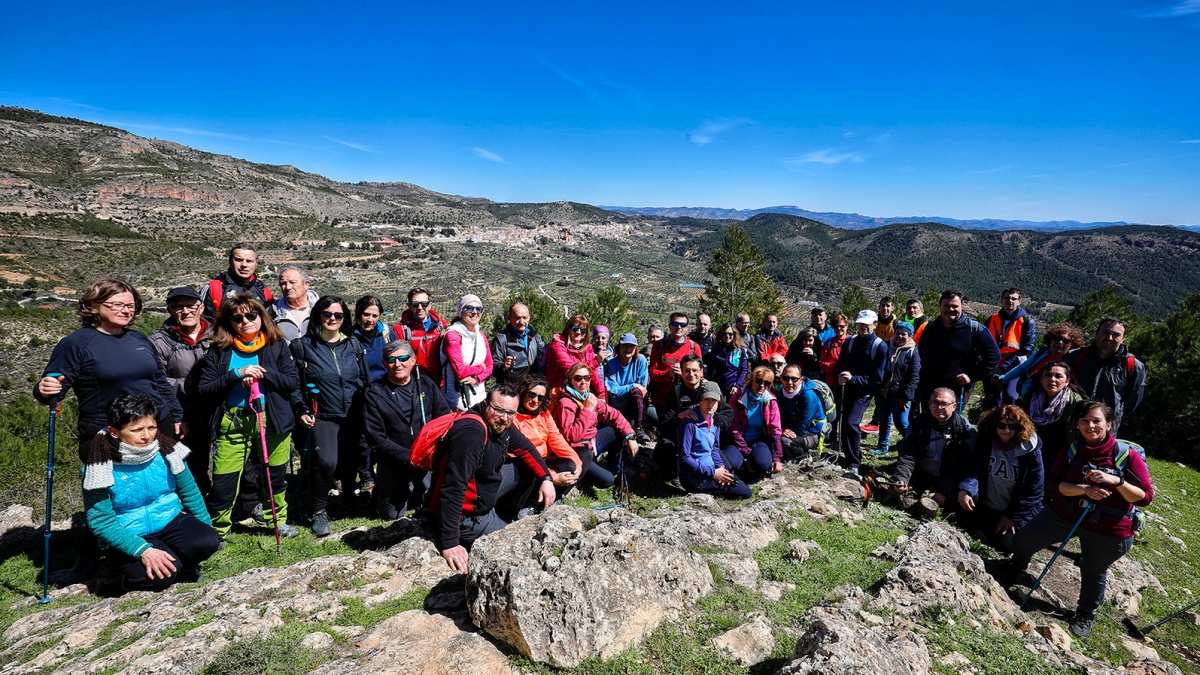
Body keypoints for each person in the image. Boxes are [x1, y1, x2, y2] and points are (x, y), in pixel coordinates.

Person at [1011, 401, 1153, 638]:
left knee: (1093, 568)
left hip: (1109, 525)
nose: (1090, 426)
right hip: (1066, 512)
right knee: (1023, 541)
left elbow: (1145, 498)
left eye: (1097, 421)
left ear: (1109, 425)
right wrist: (1085, 490)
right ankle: (1017, 565)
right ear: (1077, 424)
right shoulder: (1072, 449)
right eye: (1084, 421)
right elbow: (1055, 485)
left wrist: (1116, 481)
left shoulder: (1125, 456)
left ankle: (1086, 614)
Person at [82, 395, 220, 591]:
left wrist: (205, 528)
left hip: (169, 519)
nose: (146, 436)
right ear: (114, 432)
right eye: (136, 430)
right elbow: (101, 520)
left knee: (206, 541)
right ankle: (132, 573)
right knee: (159, 577)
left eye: (152, 428)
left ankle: (175, 563)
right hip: (130, 530)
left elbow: (190, 493)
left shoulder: (169, 452)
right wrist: (143, 550)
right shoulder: (99, 467)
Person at [36, 279, 183, 463]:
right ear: (93, 305)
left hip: (158, 429)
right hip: (109, 436)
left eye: (131, 305)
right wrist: (44, 389)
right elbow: (52, 389)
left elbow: (159, 380)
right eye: (117, 304)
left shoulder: (139, 338)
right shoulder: (77, 343)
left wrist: (176, 415)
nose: (126, 310)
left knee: (163, 488)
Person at [197, 294, 301, 539]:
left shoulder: (276, 345)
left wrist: (263, 374)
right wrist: (236, 374)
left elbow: (292, 382)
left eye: (250, 315)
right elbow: (205, 388)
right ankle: (218, 530)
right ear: (229, 322)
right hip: (233, 421)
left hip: (272, 420)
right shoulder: (219, 350)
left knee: (273, 477)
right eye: (237, 317)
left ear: (260, 317)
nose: (245, 321)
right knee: (224, 479)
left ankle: (277, 521)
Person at [429, 384, 556, 572]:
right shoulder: (471, 434)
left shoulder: (501, 424)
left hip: (485, 488)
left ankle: (508, 513)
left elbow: (525, 448)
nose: (504, 418)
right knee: (518, 545)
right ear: (486, 403)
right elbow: (453, 487)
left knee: (527, 468)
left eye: (511, 413)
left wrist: (546, 478)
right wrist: (450, 543)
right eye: (498, 410)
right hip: (469, 513)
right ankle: (488, 526)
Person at [291, 296, 369, 535]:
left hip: (353, 411)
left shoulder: (353, 345)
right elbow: (294, 384)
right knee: (326, 462)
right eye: (327, 314)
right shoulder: (303, 346)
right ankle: (319, 511)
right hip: (321, 413)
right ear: (318, 316)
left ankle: (348, 496)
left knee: (351, 457)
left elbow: (364, 379)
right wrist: (300, 408)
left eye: (338, 315)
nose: (333, 319)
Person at [362, 340, 451, 520]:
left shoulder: (425, 384)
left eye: (403, 358)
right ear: (384, 364)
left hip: (426, 457)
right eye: (392, 360)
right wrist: (407, 456)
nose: (398, 364)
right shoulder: (374, 392)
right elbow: (376, 436)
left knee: (433, 502)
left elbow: (443, 417)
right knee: (390, 514)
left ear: (413, 361)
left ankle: (416, 488)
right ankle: (386, 487)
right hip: (394, 460)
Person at [148, 286, 214, 496]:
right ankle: (196, 505)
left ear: (201, 307)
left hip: (217, 409)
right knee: (191, 463)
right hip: (184, 413)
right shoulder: (158, 341)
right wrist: (191, 385)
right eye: (179, 307)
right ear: (170, 310)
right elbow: (157, 380)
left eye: (191, 306)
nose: (186, 311)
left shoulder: (218, 334)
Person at [957, 405, 1044, 553]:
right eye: (1001, 425)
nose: (1006, 430)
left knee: (1006, 546)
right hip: (987, 503)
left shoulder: (1029, 450)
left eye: (1012, 426)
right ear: (993, 424)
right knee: (972, 532)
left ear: (1021, 427)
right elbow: (974, 469)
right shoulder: (986, 442)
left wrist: (1012, 516)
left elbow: (1035, 489)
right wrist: (965, 489)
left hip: (1012, 508)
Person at [552, 363, 638, 489]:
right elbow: (571, 437)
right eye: (578, 378)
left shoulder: (588, 397)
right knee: (607, 481)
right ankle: (585, 474)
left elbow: (614, 415)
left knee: (617, 430)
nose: (583, 382)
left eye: (587, 378)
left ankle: (612, 469)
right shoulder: (565, 403)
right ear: (569, 380)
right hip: (576, 450)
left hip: (590, 444)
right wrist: (587, 410)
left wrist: (630, 436)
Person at [915, 290, 1000, 414]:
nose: (950, 309)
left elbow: (994, 356)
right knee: (928, 422)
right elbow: (922, 350)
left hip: (956, 388)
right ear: (940, 307)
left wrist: (972, 376)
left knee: (949, 424)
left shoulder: (974, 329)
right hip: (929, 386)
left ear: (961, 307)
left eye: (955, 306)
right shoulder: (931, 326)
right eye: (946, 305)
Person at [893, 388, 978, 508]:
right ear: (929, 404)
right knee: (899, 492)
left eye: (944, 404)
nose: (939, 407)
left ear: (954, 406)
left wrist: (944, 490)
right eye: (935, 403)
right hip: (922, 473)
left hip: (949, 476)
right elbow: (908, 454)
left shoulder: (965, 430)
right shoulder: (918, 423)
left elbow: (964, 464)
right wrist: (902, 478)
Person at [652, 355, 733, 478]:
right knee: (663, 449)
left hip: (707, 442)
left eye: (695, 370)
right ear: (681, 372)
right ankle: (675, 473)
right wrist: (680, 416)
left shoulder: (711, 389)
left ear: (701, 372)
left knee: (728, 469)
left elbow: (728, 414)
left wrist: (716, 419)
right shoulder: (675, 393)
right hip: (682, 441)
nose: (691, 374)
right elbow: (664, 426)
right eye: (686, 370)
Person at [1066, 317, 1146, 435]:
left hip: (1106, 428)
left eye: (1116, 334)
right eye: (1105, 332)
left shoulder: (1133, 366)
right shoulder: (1075, 357)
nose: (1109, 338)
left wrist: (1114, 416)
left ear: (1123, 338)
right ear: (1097, 333)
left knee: (1101, 454)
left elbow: (1133, 400)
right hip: (1072, 423)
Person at [833, 310, 889, 478]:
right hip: (848, 387)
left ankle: (854, 462)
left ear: (874, 325)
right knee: (844, 424)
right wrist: (840, 376)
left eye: (867, 324)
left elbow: (878, 378)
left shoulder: (880, 346)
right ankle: (849, 456)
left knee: (851, 423)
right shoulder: (850, 342)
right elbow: (840, 364)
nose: (863, 327)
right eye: (860, 324)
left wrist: (853, 379)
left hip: (863, 392)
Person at [676, 380, 752, 499]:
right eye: (707, 400)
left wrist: (720, 466)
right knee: (742, 493)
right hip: (693, 476)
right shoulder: (689, 424)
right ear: (700, 400)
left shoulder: (715, 420)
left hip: (711, 469)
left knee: (745, 491)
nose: (710, 404)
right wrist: (713, 473)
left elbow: (714, 449)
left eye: (714, 401)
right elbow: (685, 458)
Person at [514, 374, 582, 498]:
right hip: (524, 463)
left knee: (573, 464)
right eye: (531, 395)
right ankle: (531, 503)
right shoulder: (514, 417)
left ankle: (555, 497)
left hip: (543, 458)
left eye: (540, 397)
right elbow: (520, 455)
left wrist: (577, 462)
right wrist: (551, 476)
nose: (535, 401)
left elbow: (556, 438)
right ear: (523, 392)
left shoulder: (543, 413)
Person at [1020, 361, 1088, 468]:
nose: (1052, 379)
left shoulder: (1076, 404)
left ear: (1067, 381)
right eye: (1048, 375)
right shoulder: (1030, 400)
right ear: (1041, 379)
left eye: (1058, 376)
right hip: (1033, 452)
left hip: (1063, 456)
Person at [997, 323, 1084, 402]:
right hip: (1027, 395)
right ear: (1051, 340)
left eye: (1066, 341)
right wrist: (1003, 378)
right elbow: (1023, 368)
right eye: (1057, 339)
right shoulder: (1042, 352)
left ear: (1072, 345)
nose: (1060, 342)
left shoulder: (1072, 361)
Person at [727, 366, 784, 477]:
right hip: (736, 441)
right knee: (732, 463)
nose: (762, 385)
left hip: (758, 440)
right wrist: (747, 451)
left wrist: (777, 457)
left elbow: (775, 430)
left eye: (766, 383)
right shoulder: (737, 398)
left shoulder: (771, 401)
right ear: (752, 379)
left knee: (764, 465)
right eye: (758, 381)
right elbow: (733, 429)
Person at [985, 288, 1038, 407]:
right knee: (992, 399)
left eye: (1014, 299)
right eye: (1007, 298)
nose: (1010, 301)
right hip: (992, 366)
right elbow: (981, 343)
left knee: (1010, 397)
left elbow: (1026, 352)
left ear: (1020, 301)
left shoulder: (1027, 322)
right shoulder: (992, 319)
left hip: (1014, 367)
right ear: (1001, 301)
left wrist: (1003, 368)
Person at [442, 294, 494, 410]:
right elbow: (460, 372)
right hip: (457, 400)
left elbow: (490, 366)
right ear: (461, 311)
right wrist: (481, 368)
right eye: (469, 308)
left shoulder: (480, 335)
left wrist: (476, 379)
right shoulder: (453, 335)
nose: (475, 312)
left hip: (480, 396)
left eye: (479, 309)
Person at [877, 321, 921, 456]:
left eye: (904, 334)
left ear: (910, 336)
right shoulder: (886, 347)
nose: (900, 336)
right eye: (898, 333)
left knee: (901, 423)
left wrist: (905, 397)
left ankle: (916, 445)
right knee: (884, 420)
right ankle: (882, 446)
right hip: (884, 391)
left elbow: (914, 376)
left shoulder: (913, 352)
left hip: (900, 394)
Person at [200, 243, 273, 320]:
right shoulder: (213, 289)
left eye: (249, 261)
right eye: (239, 260)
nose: (244, 265)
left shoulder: (264, 292)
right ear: (230, 262)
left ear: (256, 264)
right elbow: (202, 322)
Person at [604, 333, 654, 442]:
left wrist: (632, 387)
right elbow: (613, 390)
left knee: (636, 392)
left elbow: (642, 387)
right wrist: (632, 385)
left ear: (635, 348)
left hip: (635, 401)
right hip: (618, 402)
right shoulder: (612, 363)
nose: (628, 349)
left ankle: (639, 427)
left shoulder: (641, 360)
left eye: (631, 346)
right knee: (635, 389)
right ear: (620, 346)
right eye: (625, 345)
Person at [545, 314, 606, 397]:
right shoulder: (557, 347)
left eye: (583, 330)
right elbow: (574, 371)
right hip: (560, 392)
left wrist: (601, 394)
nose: (578, 332)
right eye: (575, 329)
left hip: (581, 391)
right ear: (568, 329)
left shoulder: (588, 348)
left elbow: (594, 374)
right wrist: (596, 362)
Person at [393, 287, 448, 380]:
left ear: (430, 305)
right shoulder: (400, 330)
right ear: (409, 306)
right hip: (415, 380)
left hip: (440, 380)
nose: (420, 308)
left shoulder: (442, 325)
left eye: (424, 304)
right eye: (415, 304)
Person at [649, 312, 703, 405]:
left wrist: (684, 374)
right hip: (662, 399)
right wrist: (669, 374)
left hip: (687, 398)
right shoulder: (659, 346)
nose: (679, 327)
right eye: (675, 324)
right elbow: (652, 373)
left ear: (687, 328)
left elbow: (700, 374)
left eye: (683, 325)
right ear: (670, 326)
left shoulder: (694, 347)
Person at [777, 364, 826, 459]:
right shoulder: (780, 391)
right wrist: (782, 430)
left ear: (801, 380)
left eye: (794, 379)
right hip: (790, 428)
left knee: (784, 442)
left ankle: (805, 455)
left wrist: (784, 432)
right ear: (781, 378)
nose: (789, 382)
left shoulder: (808, 396)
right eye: (786, 378)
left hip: (811, 432)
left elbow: (801, 428)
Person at [865, 297, 899, 432]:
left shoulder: (896, 324)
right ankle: (875, 421)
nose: (885, 308)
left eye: (888, 306)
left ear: (893, 308)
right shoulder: (873, 322)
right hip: (872, 361)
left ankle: (878, 421)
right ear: (879, 307)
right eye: (883, 306)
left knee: (883, 393)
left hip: (889, 363)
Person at [491, 302, 546, 385]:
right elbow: (493, 365)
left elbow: (544, 352)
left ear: (529, 318)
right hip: (512, 389)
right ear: (509, 318)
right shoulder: (502, 339)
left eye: (525, 318)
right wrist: (503, 366)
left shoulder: (534, 335)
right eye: (517, 318)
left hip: (531, 386)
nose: (522, 322)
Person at [268, 266, 319, 343]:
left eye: (293, 282)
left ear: (306, 284)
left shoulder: (323, 310)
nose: (288, 287)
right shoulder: (272, 313)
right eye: (283, 283)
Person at [352, 296, 396, 383]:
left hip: (386, 387)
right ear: (358, 312)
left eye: (375, 316)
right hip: (361, 389)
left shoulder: (386, 333)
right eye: (366, 314)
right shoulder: (350, 337)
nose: (370, 320)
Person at [704, 322, 749, 400]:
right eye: (724, 334)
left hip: (733, 387)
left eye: (730, 334)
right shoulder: (716, 350)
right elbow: (710, 369)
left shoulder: (740, 350)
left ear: (734, 335)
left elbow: (744, 370)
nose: (727, 336)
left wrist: (737, 385)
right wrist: (710, 383)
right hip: (717, 386)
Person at [817, 313, 850, 389]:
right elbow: (822, 362)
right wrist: (833, 367)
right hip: (831, 382)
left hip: (848, 383)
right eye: (836, 327)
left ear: (847, 325)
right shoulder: (829, 343)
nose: (838, 329)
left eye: (841, 326)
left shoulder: (853, 342)